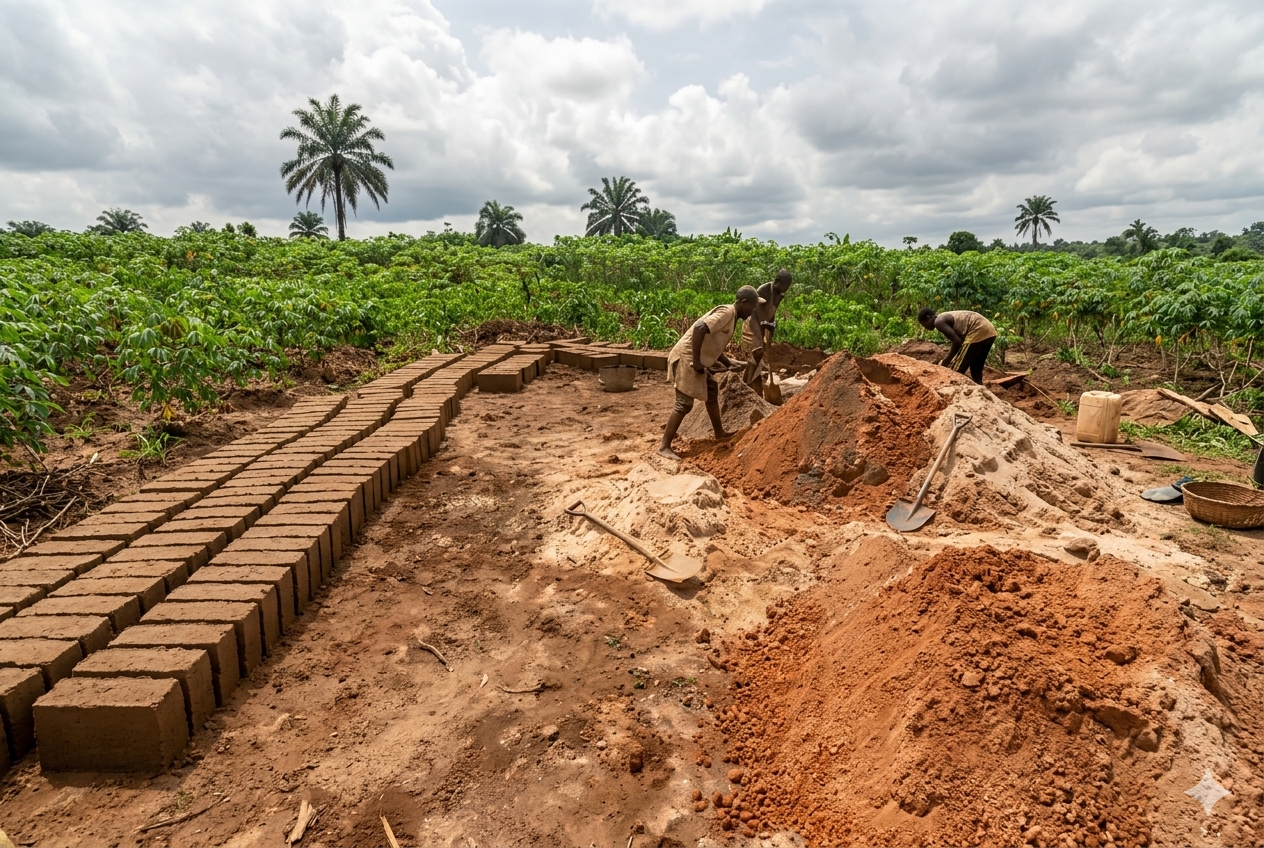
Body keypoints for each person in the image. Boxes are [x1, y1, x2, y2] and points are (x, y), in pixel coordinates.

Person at [658, 286, 764, 460]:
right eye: (752, 307)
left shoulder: (732, 317)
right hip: (686, 358)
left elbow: (712, 343)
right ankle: (664, 447)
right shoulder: (727, 313)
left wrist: (729, 363)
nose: (752, 312)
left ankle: (719, 433)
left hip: (693, 358)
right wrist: (698, 361)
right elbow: (700, 328)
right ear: (743, 302)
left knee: (712, 391)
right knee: (684, 404)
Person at [917, 307, 997, 385]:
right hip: (990, 331)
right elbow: (960, 341)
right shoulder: (944, 317)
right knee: (976, 364)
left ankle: (953, 390)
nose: (925, 327)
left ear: (928, 318)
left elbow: (957, 342)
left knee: (956, 369)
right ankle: (979, 385)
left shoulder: (939, 322)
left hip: (977, 329)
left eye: (924, 324)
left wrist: (946, 360)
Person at [743, 268, 793, 387]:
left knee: (760, 354)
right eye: (785, 285)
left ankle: (750, 382)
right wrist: (759, 335)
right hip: (752, 324)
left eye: (788, 286)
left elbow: (771, 314)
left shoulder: (779, 295)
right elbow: (754, 314)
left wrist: (770, 329)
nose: (786, 289)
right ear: (777, 281)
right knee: (756, 353)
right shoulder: (764, 290)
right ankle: (746, 383)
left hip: (762, 325)